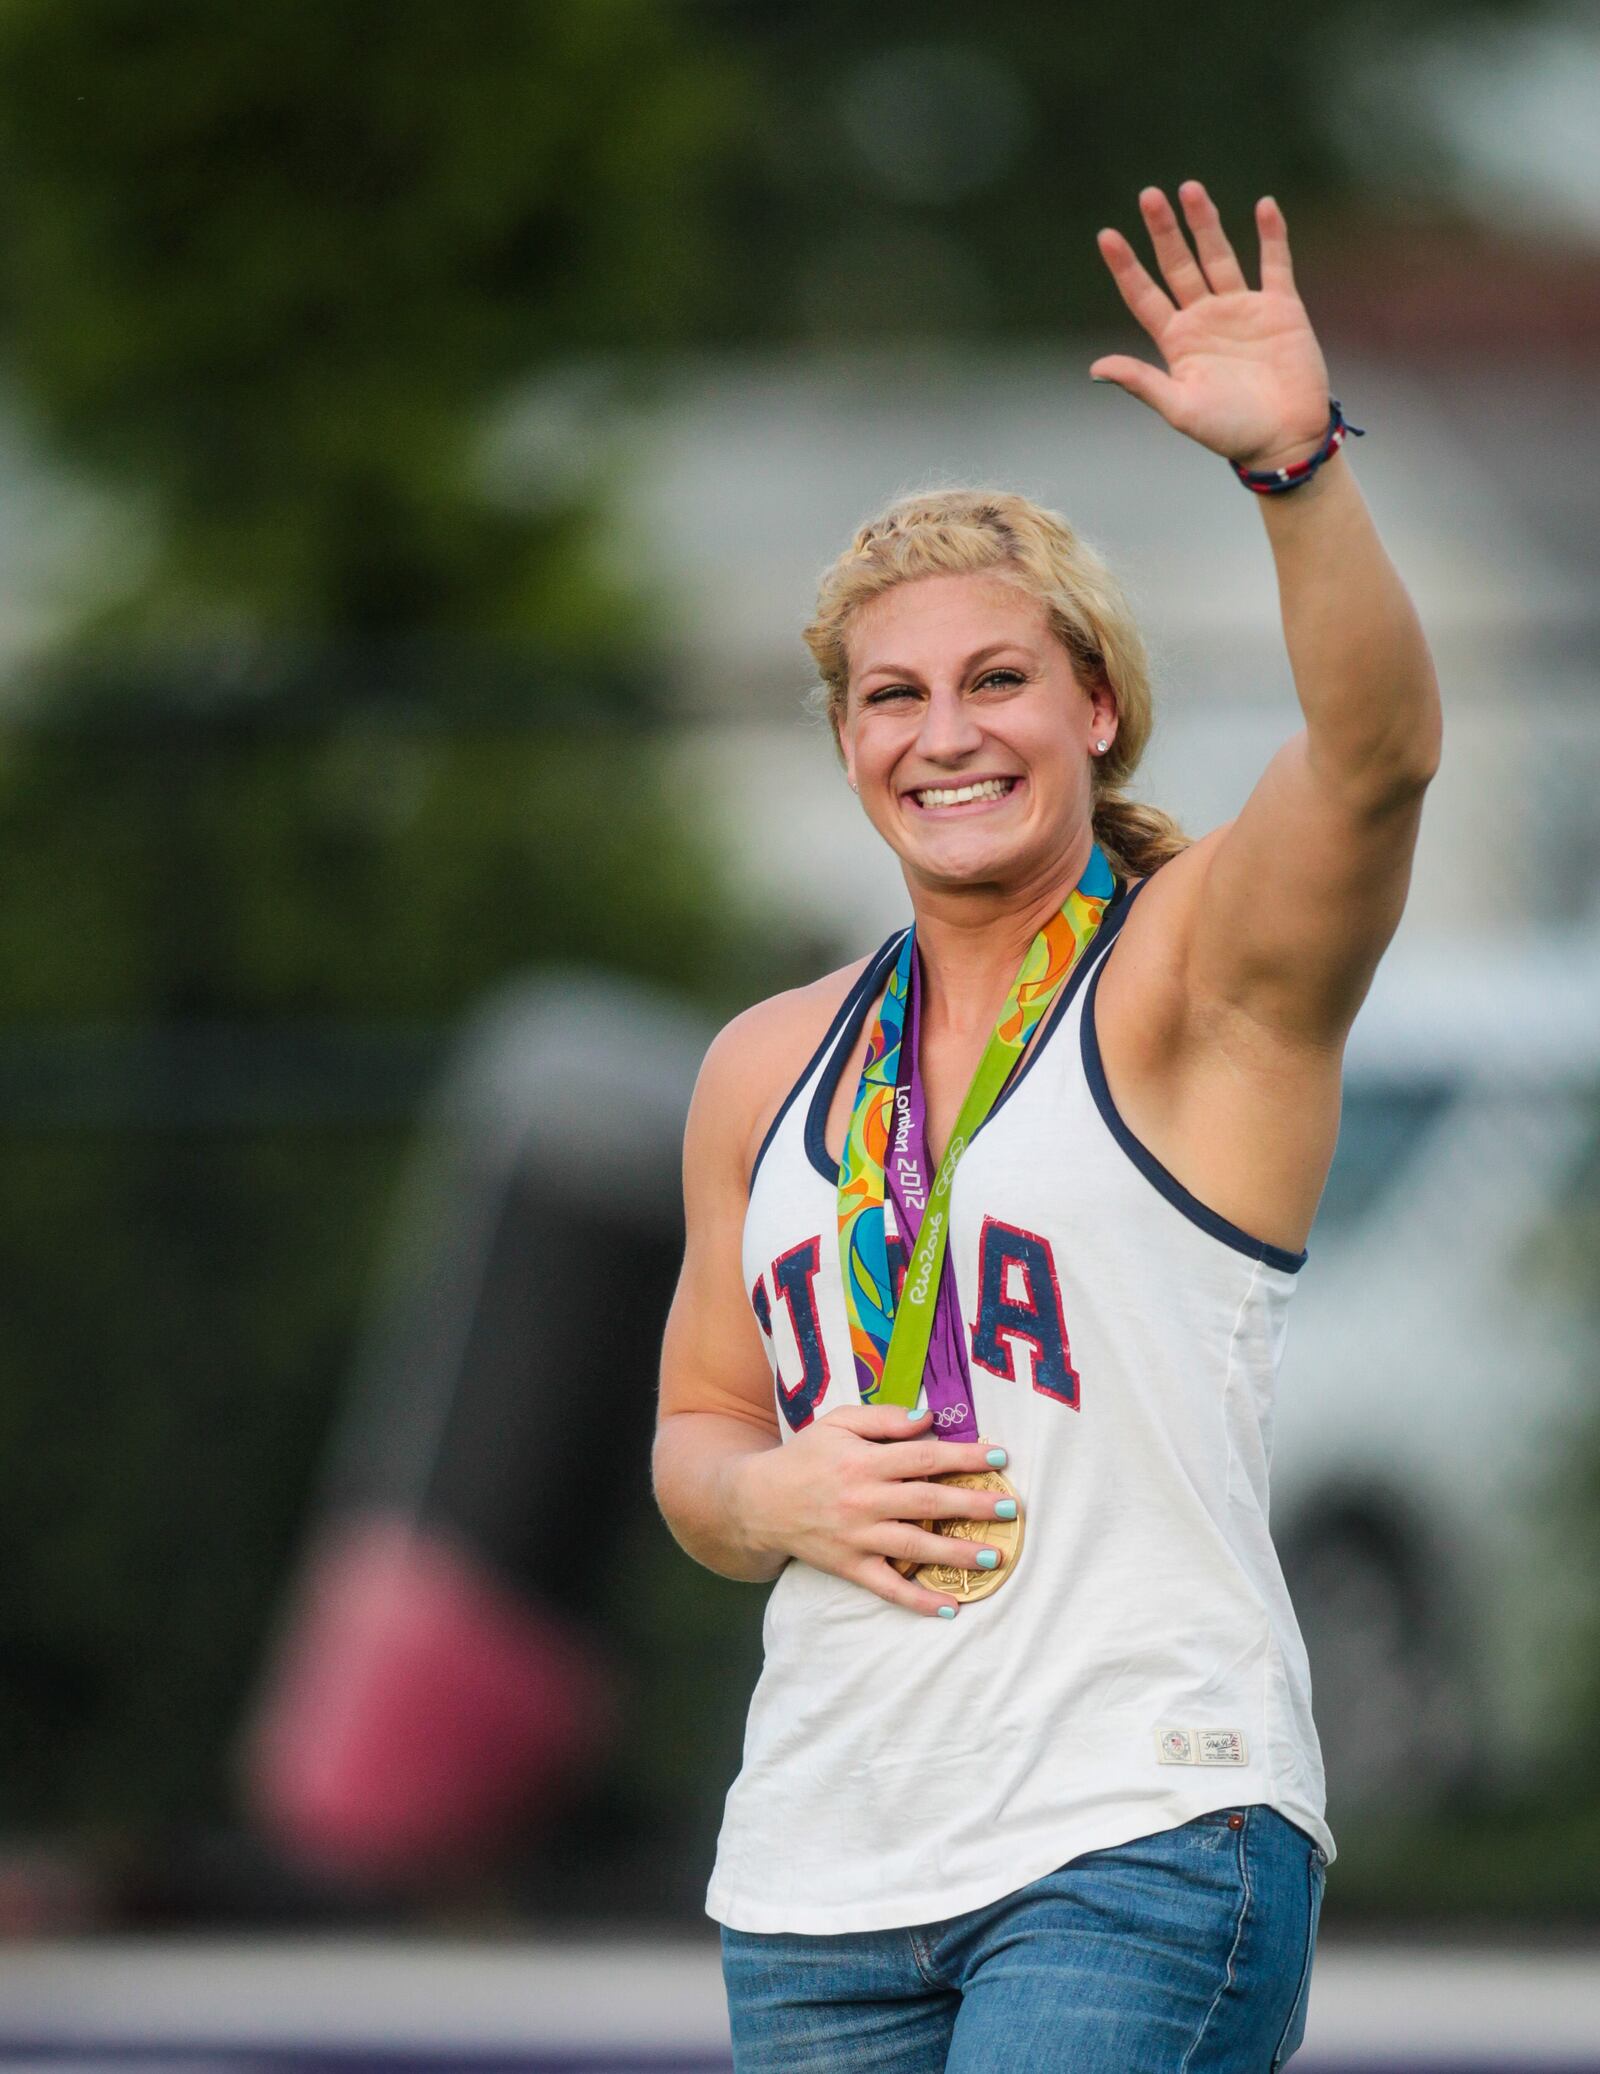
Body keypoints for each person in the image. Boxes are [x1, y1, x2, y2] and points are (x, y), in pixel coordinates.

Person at [652, 180, 1441, 2072]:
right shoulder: (767, 1063)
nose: (948, 733)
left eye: (999, 678)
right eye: (892, 696)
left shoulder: (1190, 984)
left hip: (1141, 1828)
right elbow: (698, 1435)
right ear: (847, 742)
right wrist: (769, 1496)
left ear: (1098, 706)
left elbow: (1379, 756)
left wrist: (1298, 470)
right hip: (822, 1873)